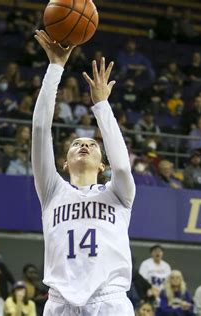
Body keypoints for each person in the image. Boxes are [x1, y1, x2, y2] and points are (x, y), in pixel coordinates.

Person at [33, 29, 137, 314]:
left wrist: (101, 105)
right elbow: (41, 130)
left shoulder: (118, 193)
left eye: (92, 144)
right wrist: (55, 68)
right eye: (76, 143)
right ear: (64, 163)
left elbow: (123, 166)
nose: (84, 145)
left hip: (109, 300)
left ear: (102, 164)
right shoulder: (52, 190)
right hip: (59, 303)